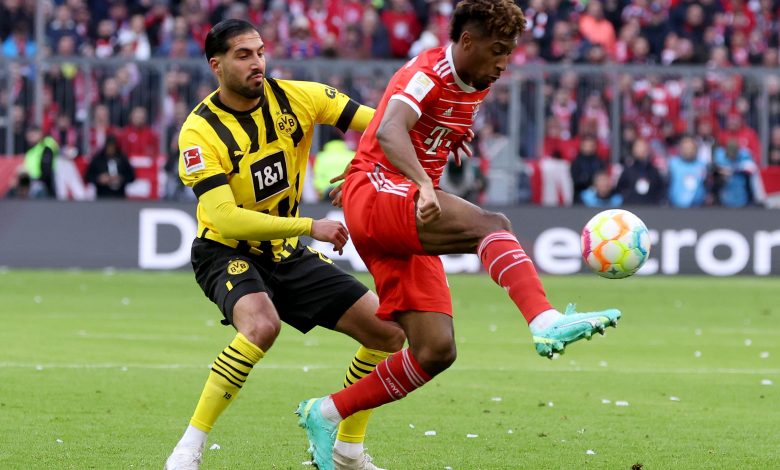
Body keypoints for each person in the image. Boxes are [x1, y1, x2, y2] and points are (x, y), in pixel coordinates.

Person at [297, 1, 621, 468]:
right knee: (492, 227)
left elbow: (409, 123)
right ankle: (544, 321)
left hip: (396, 202)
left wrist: (442, 136)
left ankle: (327, 416)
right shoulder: (430, 71)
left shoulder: (476, 78)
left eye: (509, 51)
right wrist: (425, 182)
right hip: (382, 194)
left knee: (435, 349)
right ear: (466, 42)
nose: (504, 61)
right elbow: (390, 129)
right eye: (498, 50)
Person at [163, 19, 405, 470]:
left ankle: (348, 449)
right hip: (225, 249)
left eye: (260, 52)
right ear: (216, 65)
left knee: (388, 331)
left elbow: (381, 126)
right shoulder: (199, 132)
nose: (257, 63)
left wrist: (426, 139)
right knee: (261, 325)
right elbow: (223, 215)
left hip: (284, 251)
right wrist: (309, 226)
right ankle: (189, 447)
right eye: (243, 55)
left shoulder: (299, 97)